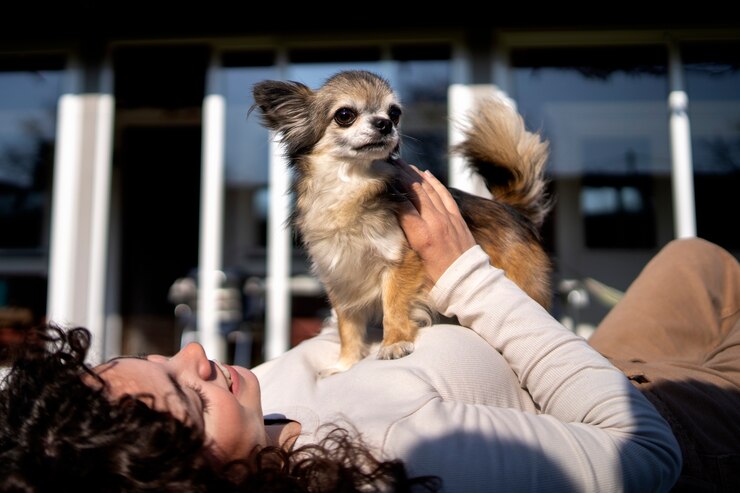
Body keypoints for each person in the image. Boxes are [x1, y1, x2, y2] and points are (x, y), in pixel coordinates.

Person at [0, 162, 736, 492]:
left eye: (160, 356)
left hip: (598, 358)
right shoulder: (396, 452)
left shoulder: (265, 408)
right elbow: (642, 459)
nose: (195, 353)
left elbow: (343, 342)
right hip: (673, 415)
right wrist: (465, 271)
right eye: (190, 398)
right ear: (199, 480)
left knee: (694, 257)